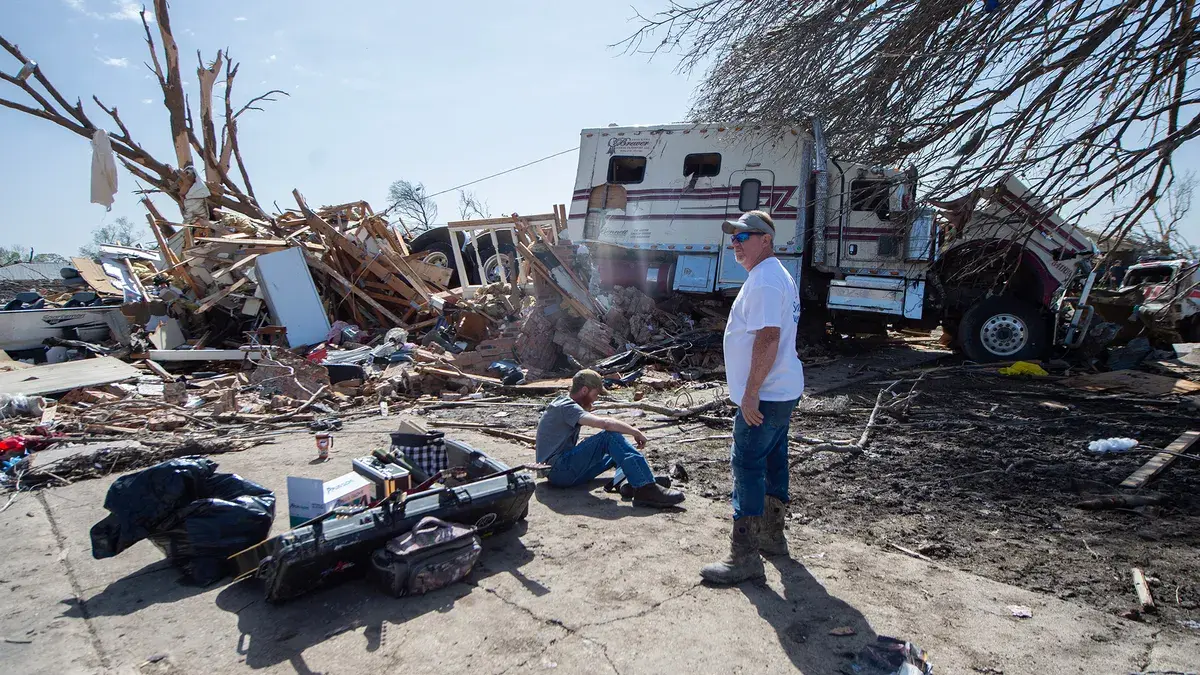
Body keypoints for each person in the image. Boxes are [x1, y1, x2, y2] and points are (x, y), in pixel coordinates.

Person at [701, 210, 805, 584]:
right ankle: (772, 537)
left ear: (766, 240)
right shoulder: (777, 275)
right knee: (774, 459)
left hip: (767, 393)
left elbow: (767, 338)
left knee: (746, 464)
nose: (735, 244)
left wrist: (750, 393)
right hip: (782, 389)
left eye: (743, 237)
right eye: (733, 238)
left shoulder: (764, 281)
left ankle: (743, 557)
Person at [535, 369, 685, 508]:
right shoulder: (567, 406)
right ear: (584, 390)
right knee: (609, 437)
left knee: (617, 449)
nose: (595, 399)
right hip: (559, 471)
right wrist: (635, 431)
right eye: (595, 394)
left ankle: (627, 483)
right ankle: (645, 488)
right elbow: (605, 424)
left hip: (560, 472)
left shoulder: (564, 403)